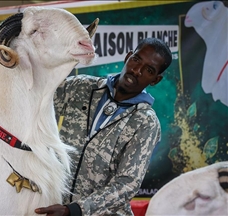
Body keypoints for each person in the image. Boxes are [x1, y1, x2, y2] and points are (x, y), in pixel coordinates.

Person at [35, 37, 172, 215]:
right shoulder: (81, 87)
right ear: (128, 57)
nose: (137, 71)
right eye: (136, 60)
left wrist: (75, 210)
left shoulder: (146, 122)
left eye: (149, 70)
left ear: (155, 79)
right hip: (55, 207)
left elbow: (127, 184)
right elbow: (36, 102)